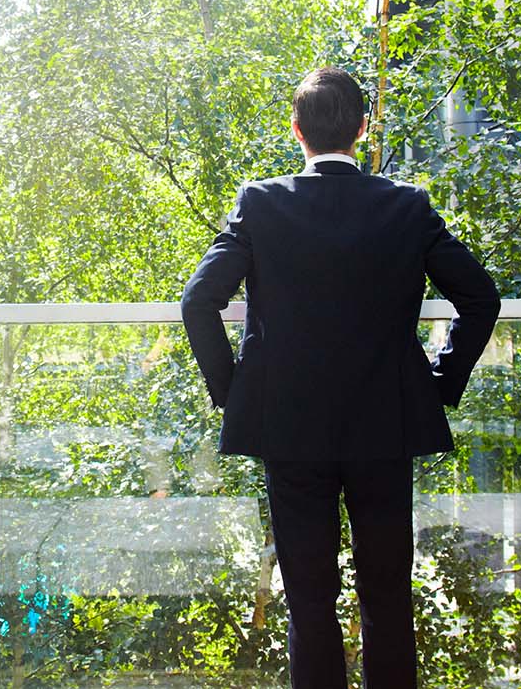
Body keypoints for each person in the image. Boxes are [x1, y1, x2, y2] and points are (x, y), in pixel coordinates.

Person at [180, 66, 500, 689]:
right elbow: (480, 298)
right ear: (361, 128)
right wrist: (437, 383)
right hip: (385, 425)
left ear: (296, 129)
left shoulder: (261, 203)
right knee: (387, 596)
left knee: (309, 598)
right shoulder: (406, 205)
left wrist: (237, 393)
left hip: (290, 430)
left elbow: (198, 302)